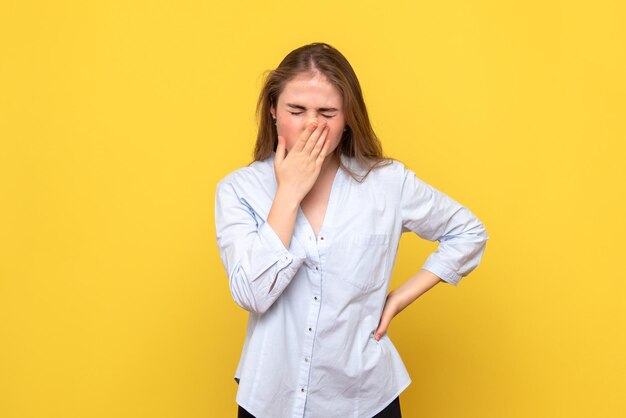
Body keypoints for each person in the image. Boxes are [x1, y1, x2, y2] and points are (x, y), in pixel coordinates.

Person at [214, 42, 489, 418]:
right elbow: (252, 294)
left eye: (327, 112)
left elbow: (468, 232)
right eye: (297, 110)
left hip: (364, 399)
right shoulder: (238, 190)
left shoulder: (387, 183)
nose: (312, 124)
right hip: (270, 400)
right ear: (274, 111)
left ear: (347, 120)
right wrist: (289, 192)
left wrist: (398, 298)